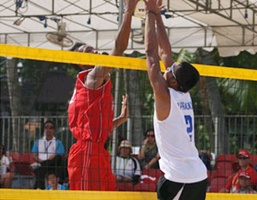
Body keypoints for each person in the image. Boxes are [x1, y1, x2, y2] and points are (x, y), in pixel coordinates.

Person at [67, 0, 138, 191]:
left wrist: (120, 119)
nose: (97, 52)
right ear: (82, 62)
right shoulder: (91, 77)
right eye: (90, 52)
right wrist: (129, 11)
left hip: (97, 149)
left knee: (108, 194)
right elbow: (119, 49)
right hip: (86, 152)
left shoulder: (90, 83)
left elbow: (95, 127)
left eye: (94, 49)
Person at [144, 0, 208, 199]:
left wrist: (149, 13)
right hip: (196, 174)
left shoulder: (164, 95)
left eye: (170, 70)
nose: (168, 68)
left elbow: (152, 55)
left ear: (173, 81)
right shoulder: (182, 91)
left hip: (179, 179)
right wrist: (158, 15)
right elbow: (165, 53)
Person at [31, 120, 65, 189]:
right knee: (41, 170)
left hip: (53, 164)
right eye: (46, 127)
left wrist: (54, 156)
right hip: (41, 162)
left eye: (50, 127)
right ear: (44, 129)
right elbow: (34, 155)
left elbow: (61, 156)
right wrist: (40, 160)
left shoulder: (58, 142)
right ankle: (41, 188)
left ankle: (38, 188)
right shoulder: (38, 141)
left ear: (54, 130)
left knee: (57, 157)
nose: (48, 129)